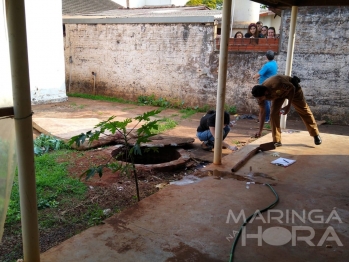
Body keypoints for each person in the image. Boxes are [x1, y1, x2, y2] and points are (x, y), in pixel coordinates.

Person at [251, 75, 322, 147]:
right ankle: (277, 140)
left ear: (266, 93)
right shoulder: (260, 96)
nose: (259, 100)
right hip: (278, 95)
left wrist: (288, 107)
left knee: (304, 110)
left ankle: (315, 134)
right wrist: (260, 130)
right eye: (258, 98)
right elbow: (262, 112)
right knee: (273, 114)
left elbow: (292, 88)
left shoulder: (277, 83)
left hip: (293, 90)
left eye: (260, 98)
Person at [253, 50, 278, 123]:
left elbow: (259, 74)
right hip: (270, 84)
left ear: (266, 57)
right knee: (268, 101)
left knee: (265, 102)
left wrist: (253, 76)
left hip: (264, 85)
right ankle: (266, 117)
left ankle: (266, 118)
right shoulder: (274, 63)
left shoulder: (267, 65)